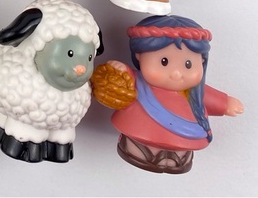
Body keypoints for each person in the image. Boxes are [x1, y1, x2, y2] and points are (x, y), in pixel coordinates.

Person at [91, 15, 244, 174]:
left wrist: (226, 103)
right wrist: (120, 70)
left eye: (188, 64)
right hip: (142, 132)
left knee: (179, 150)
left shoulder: (194, 94)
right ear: (139, 55)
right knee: (142, 145)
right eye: (164, 62)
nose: (176, 73)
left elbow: (209, 97)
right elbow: (124, 81)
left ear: (202, 62)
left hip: (184, 138)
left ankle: (177, 159)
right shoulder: (139, 83)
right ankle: (141, 153)